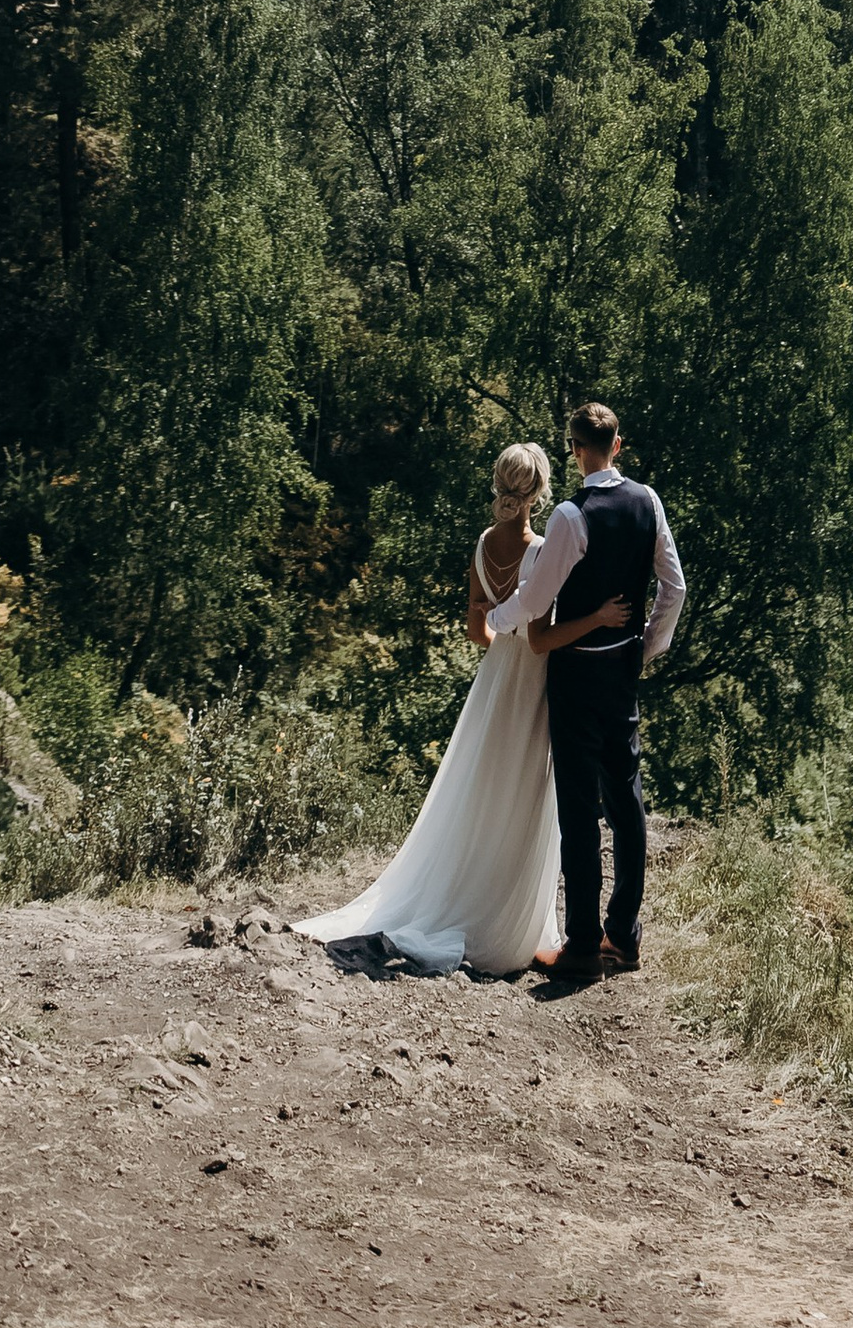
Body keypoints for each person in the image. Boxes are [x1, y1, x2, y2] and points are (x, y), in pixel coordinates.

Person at [293, 442, 625, 974]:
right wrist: (597, 620)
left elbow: (479, 631)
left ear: (500, 486)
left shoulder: (482, 545)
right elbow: (541, 636)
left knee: (485, 786)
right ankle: (503, 916)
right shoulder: (541, 550)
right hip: (534, 681)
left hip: (495, 680)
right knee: (523, 794)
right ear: (538, 492)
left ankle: (466, 889)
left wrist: (503, 631)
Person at [476, 399, 685, 986]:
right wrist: (644, 648)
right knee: (627, 804)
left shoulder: (571, 516)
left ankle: (582, 947)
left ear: (575, 450)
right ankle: (625, 936)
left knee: (577, 811)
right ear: (616, 445)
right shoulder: (649, 502)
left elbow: (536, 604)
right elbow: (675, 587)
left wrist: (498, 620)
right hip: (621, 675)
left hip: (574, 678)